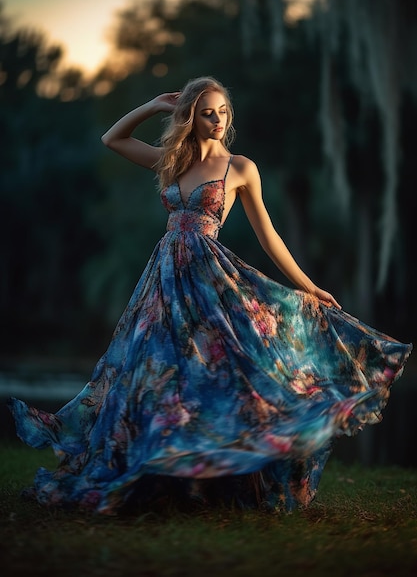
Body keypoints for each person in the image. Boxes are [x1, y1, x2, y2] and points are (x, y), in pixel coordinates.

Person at [8, 76, 412, 515]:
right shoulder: (171, 162)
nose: (217, 120)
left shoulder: (240, 168)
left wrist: (307, 285)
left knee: (219, 378)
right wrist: (152, 105)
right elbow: (113, 138)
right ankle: (164, 481)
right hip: (163, 279)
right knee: (152, 375)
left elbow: (269, 235)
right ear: (189, 117)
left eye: (222, 112)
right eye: (206, 112)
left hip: (210, 281)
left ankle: (227, 484)